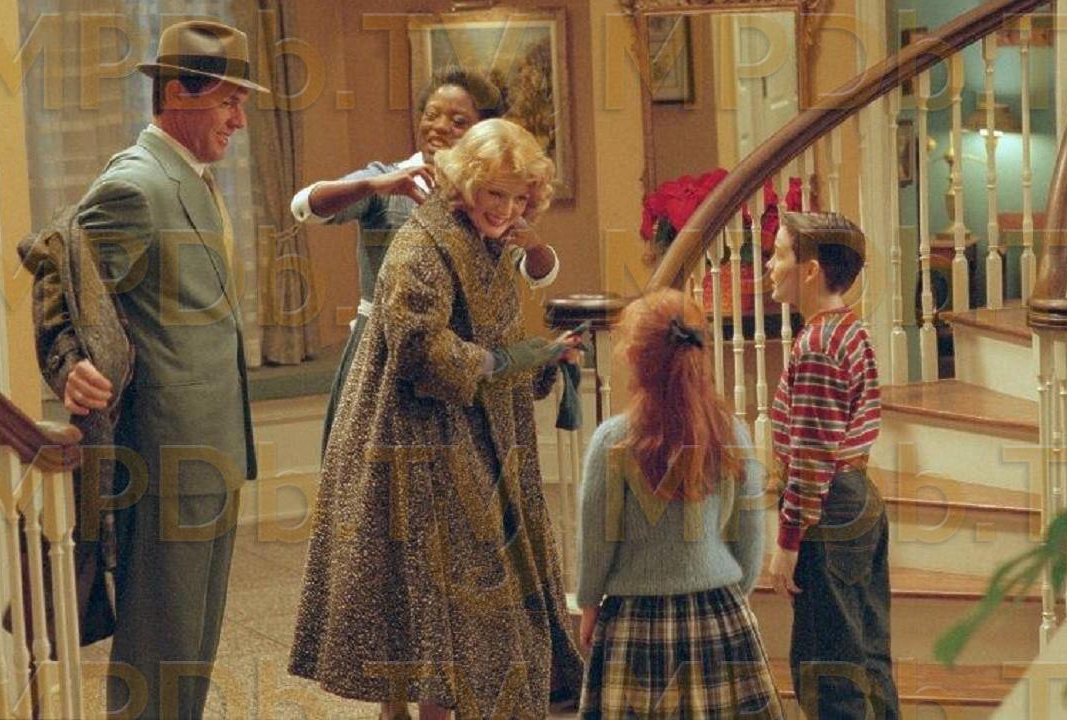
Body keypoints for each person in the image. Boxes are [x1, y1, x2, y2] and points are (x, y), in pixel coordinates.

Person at [289, 118, 584, 719]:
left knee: (461, 605)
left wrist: (537, 358)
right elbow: (420, 348)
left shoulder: (488, 242)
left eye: (518, 197)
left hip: (473, 433)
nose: (505, 209)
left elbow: (493, 334)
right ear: (467, 184)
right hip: (413, 435)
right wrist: (508, 361)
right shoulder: (421, 244)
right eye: (494, 193)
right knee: (429, 604)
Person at [64, 20, 266, 719]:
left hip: (212, 446)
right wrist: (68, 362)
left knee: (192, 644)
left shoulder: (193, 179)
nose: (239, 120)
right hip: (165, 454)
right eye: (229, 102)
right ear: (178, 92)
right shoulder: (136, 184)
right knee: (159, 646)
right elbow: (61, 277)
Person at [290, 66, 560, 450]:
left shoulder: (490, 200)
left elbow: (536, 273)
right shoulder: (388, 179)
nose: (439, 127)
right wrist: (373, 184)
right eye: (431, 114)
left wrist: (533, 245)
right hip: (386, 351)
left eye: (458, 120)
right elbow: (306, 206)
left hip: (460, 361)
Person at [575, 289, 783, 719]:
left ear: (634, 358)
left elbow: (597, 540)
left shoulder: (613, 441)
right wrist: (734, 594)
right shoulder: (731, 434)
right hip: (717, 611)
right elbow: (750, 536)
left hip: (635, 621)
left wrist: (589, 603)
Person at [763, 212, 900, 718]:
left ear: (811, 270)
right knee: (867, 659)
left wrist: (787, 542)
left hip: (829, 510)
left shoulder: (817, 346)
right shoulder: (849, 329)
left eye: (779, 254)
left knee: (827, 673)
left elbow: (811, 454)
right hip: (856, 499)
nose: (770, 265)